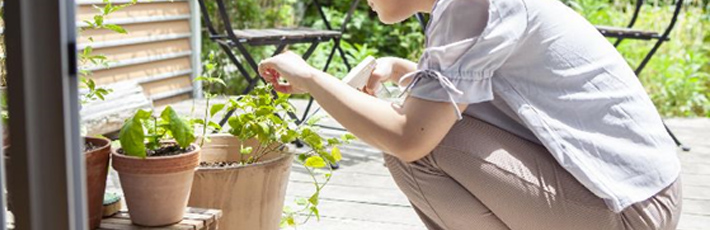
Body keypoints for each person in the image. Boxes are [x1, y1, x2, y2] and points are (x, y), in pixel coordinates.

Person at [257, 0, 682, 229]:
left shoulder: (470, 5)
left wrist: (309, 75)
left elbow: (409, 136)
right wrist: (409, 72)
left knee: (416, 148)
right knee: (421, 128)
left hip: (627, 212)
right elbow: (498, 90)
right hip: (642, 198)